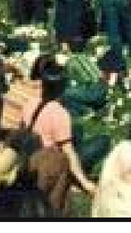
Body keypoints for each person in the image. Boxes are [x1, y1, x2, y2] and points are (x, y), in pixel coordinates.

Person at [22, 60, 102, 214]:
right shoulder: (60, 113)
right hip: (51, 164)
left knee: (77, 130)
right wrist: (86, 183)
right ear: (63, 88)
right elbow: (68, 152)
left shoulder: (29, 103)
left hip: (32, 158)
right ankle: (73, 178)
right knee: (101, 142)